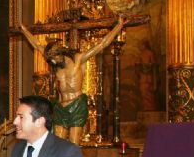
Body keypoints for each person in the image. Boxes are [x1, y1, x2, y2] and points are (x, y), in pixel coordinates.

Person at [19, 16, 128, 145]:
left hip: (76, 105)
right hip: (61, 107)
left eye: (54, 59)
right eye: (51, 60)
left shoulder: (78, 59)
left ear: (59, 53)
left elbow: (101, 45)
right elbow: (37, 45)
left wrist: (119, 26)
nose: (53, 62)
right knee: (57, 145)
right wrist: (24, 30)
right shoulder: (54, 62)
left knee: (73, 145)